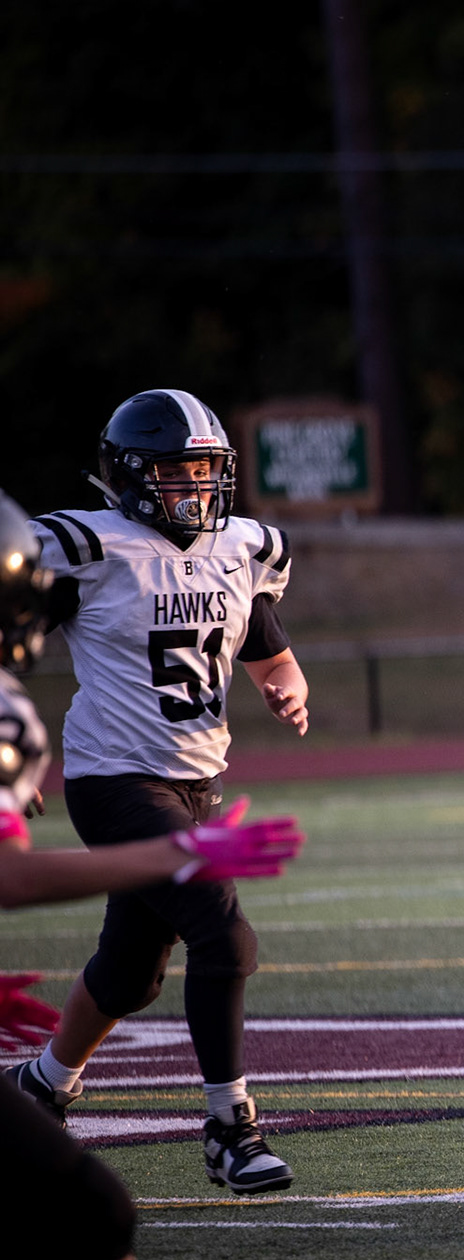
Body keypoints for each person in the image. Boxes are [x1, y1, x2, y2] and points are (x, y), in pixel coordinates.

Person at [11, 390, 313, 1193]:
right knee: (225, 935)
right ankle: (231, 1129)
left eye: (208, 470)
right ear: (135, 475)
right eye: (178, 470)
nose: (196, 487)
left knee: (131, 971)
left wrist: (288, 685)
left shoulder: (241, 549)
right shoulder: (89, 546)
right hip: (114, 780)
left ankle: (43, 1083)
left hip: (199, 784)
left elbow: (268, 650)